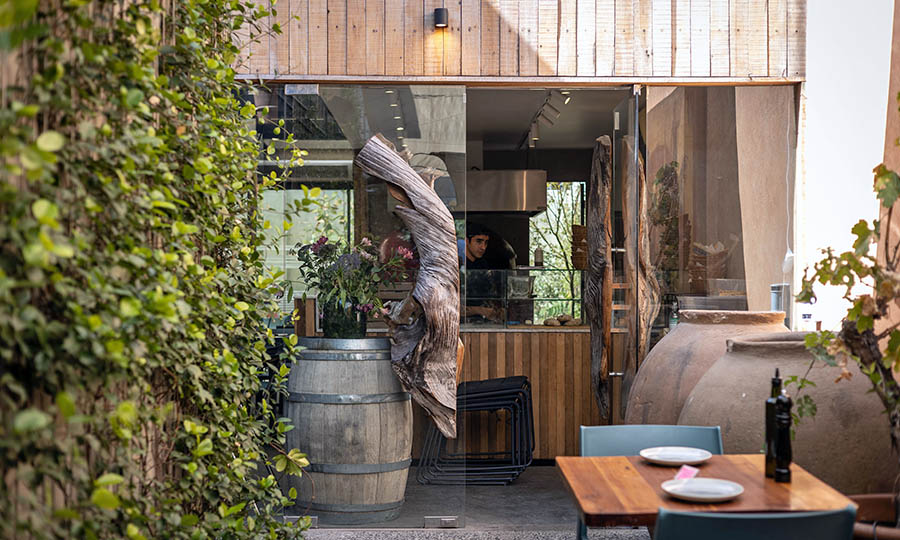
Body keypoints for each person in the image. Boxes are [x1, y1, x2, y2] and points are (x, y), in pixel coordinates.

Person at [463, 223, 504, 322]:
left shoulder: (483, 264)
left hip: (481, 322)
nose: (483, 247)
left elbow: (490, 294)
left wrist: (497, 309)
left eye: (486, 243)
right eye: (479, 241)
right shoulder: (458, 263)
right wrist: (481, 310)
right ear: (466, 241)